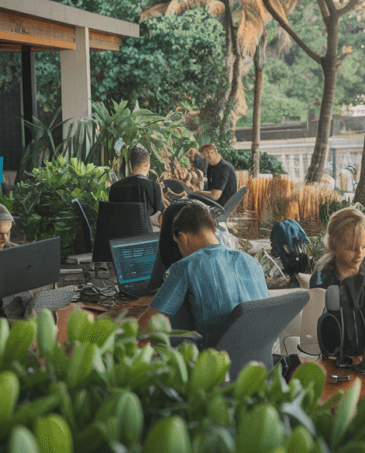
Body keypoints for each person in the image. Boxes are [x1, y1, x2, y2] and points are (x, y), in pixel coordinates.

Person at [138, 201, 268, 342]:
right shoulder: (251, 262)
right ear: (213, 226)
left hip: (212, 361)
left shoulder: (186, 266)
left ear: (181, 237)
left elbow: (144, 325)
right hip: (260, 359)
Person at [309, 206, 365, 340]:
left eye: (364, 246)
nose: (359, 254)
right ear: (333, 245)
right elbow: (317, 332)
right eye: (351, 249)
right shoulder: (320, 279)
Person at [108, 144, 163, 223]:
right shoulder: (154, 187)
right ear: (147, 163)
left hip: (120, 234)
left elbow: (111, 215)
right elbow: (158, 217)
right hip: (146, 234)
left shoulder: (115, 187)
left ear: (130, 163)